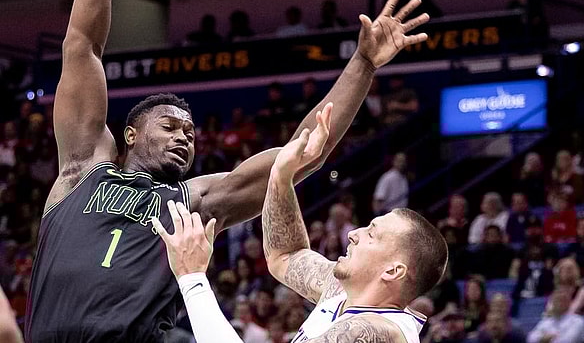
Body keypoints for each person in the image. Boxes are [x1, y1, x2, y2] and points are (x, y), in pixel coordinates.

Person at [24, 0, 432, 338]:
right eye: (169, 126)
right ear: (131, 132)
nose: (184, 137)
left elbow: (303, 153)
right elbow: (81, 47)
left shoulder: (197, 201)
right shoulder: (82, 166)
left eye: (190, 132)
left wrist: (363, 65)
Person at [153, 109, 449, 343]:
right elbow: (286, 255)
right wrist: (282, 174)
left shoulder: (375, 332)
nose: (354, 233)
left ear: (393, 271)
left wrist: (192, 278)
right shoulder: (342, 294)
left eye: (371, 233)